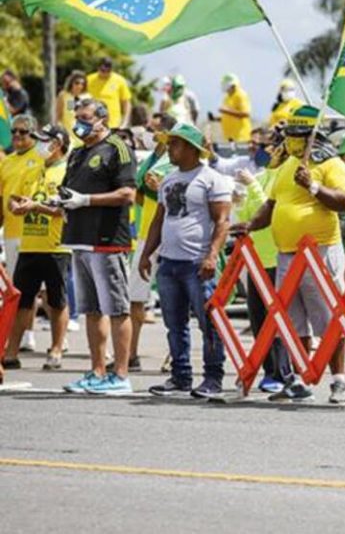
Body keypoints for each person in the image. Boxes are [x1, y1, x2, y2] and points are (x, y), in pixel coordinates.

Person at [244, 106, 345, 403]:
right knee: (293, 321)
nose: (290, 140)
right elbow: (272, 204)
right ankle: (302, 377)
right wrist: (250, 225)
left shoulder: (331, 164)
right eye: (288, 135)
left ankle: (339, 380)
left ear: (311, 136)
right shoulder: (285, 165)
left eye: (296, 135)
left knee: (328, 317)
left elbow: (344, 202)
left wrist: (314, 186)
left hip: (319, 251)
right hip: (287, 254)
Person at [139, 122, 231, 398]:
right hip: (169, 262)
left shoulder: (212, 178)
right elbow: (159, 218)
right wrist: (147, 254)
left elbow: (222, 221)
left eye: (175, 144)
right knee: (174, 323)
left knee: (209, 322)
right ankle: (181, 376)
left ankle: (213, 377)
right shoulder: (168, 179)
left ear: (192, 149)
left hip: (197, 262)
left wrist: (212, 255)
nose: (170, 149)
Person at [59, 98, 137, 395]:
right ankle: (97, 370)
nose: (79, 123)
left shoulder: (117, 148)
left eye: (86, 117)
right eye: (77, 117)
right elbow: (69, 193)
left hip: (107, 241)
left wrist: (86, 200)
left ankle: (120, 374)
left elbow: (128, 193)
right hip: (79, 238)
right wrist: (51, 204)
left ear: (102, 119)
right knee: (91, 310)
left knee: (116, 308)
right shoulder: (77, 153)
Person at [3, 125, 71, 370]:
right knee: (22, 300)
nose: (40, 145)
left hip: (56, 246)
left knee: (56, 301)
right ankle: (11, 351)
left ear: (58, 143)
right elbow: (15, 197)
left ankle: (56, 348)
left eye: (45, 140)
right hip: (29, 243)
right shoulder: (33, 169)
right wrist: (15, 205)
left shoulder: (67, 172)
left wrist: (34, 207)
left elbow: (64, 209)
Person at [233, 160, 291, 394]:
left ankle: (282, 371)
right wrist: (239, 201)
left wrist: (252, 186)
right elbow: (250, 215)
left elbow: (268, 212)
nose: (273, 150)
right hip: (256, 260)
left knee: (277, 321)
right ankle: (269, 370)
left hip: (276, 258)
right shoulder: (263, 175)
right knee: (258, 319)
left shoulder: (282, 177)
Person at [127, 113, 177, 372]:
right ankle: (130, 353)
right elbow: (138, 195)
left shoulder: (177, 160)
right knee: (135, 296)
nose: (148, 132)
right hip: (145, 233)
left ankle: (174, 355)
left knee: (171, 298)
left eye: (154, 129)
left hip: (168, 235)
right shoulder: (149, 159)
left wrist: (158, 188)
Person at [0, 114, 44, 355]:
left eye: (23, 132)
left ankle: (45, 338)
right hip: (12, 233)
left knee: (44, 290)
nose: (16, 136)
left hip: (37, 232)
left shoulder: (40, 158)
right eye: (14, 132)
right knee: (19, 289)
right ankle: (24, 335)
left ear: (33, 135)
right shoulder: (6, 162)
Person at [87, 57, 132, 129]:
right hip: (92, 124)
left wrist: (125, 122)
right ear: (98, 68)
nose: (105, 73)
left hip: (113, 124)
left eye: (108, 71)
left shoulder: (120, 80)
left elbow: (126, 103)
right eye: (102, 70)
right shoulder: (89, 79)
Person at [218, 73, 252, 143]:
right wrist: (216, 118)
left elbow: (246, 113)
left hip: (240, 137)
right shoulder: (227, 97)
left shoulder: (240, 95)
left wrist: (226, 110)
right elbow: (230, 115)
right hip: (230, 137)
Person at [54, 70, 89, 135]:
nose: (79, 86)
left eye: (82, 84)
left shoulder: (87, 97)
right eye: (77, 83)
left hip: (81, 135)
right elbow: (58, 116)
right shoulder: (64, 95)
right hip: (66, 134)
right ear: (71, 83)